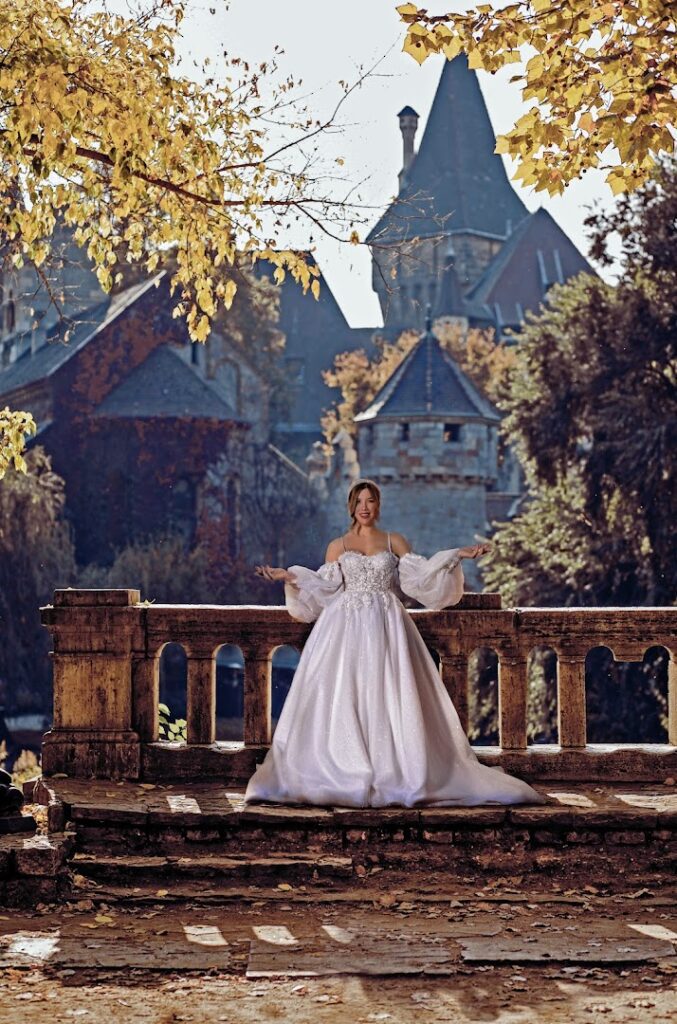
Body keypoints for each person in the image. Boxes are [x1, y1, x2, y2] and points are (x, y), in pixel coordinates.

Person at [245, 479, 544, 808]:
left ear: (378, 505)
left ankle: (395, 769)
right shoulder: (338, 545)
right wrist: (288, 576)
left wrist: (455, 556)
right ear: (350, 506)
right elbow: (323, 588)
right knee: (344, 693)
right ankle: (340, 767)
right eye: (359, 501)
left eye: (370, 500)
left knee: (389, 691)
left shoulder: (393, 540)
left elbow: (421, 577)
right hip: (343, 627)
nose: (365, 506)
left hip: (387, 624)